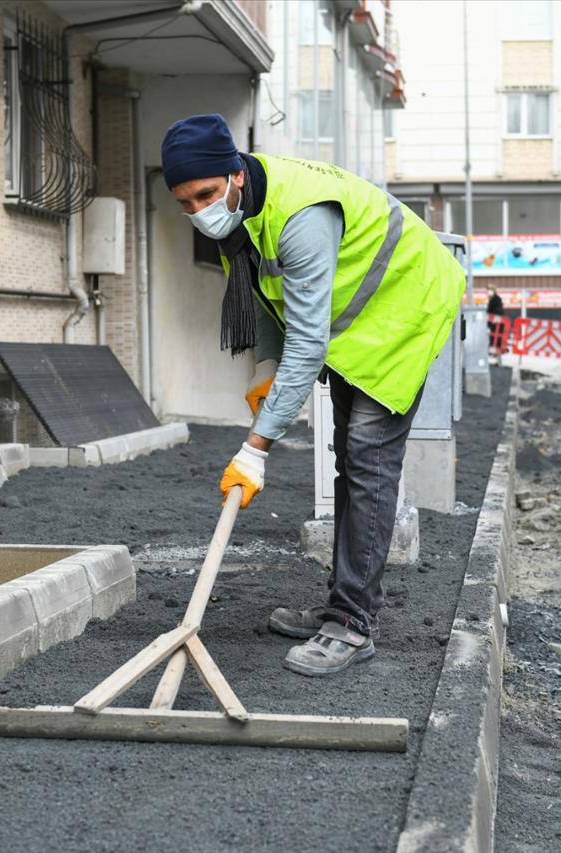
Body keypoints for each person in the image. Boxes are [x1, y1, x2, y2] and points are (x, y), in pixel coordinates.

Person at [160, 114, 464, 677]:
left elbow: (307, 339)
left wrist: (256, 448)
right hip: (357, 320)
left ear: (235, 175)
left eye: (204, 194)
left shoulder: (298, 216)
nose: (198, 210)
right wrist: (268, 372)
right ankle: (344, 603)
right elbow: (267, 295)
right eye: (184, 202)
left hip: (404, 309)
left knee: (369, 461)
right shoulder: (241, 217)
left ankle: (352, 625)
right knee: (351, 462)